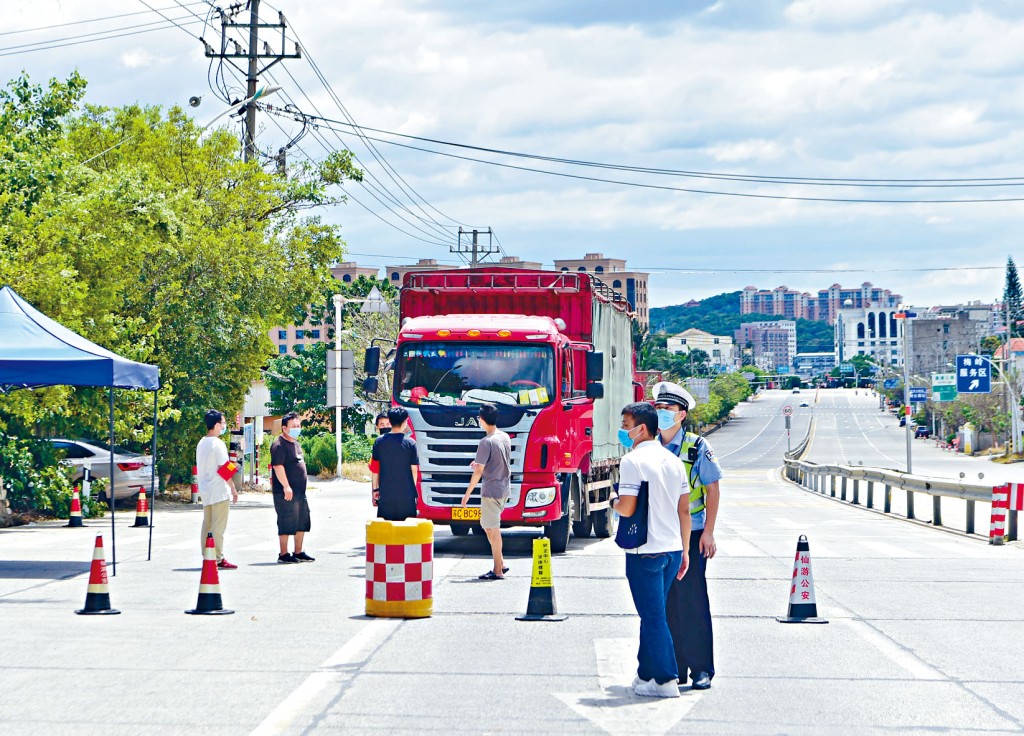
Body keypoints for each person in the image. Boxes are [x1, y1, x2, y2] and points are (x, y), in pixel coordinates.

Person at [610, 401, 691, 698]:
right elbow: (685, 510)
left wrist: (612, 501)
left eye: (625, 424)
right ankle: (645, 674)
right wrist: (684, 551)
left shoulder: (632, 461)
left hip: (644, 552)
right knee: (653, 613)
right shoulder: (673, 461)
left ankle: (667, 679)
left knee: (654, 616)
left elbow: (628, 507)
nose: (622, 430)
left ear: (641, 428)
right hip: (671, 550)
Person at [654, 381, 724, 691]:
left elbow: (712, 489)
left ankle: (701, 669)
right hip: (659, 536)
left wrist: (708, 532)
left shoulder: (697, 447)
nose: (662, 414)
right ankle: (675, 666)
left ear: (682, 414)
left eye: (668, 409)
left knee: (693, 601)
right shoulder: (650, 446)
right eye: (659, 408)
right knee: (666, 603)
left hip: (692, 535)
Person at [459, 403, 511, 580]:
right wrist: (480, 464)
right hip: (503, 488)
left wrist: (467, 495)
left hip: (491, 490)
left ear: (481, 420)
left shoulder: (485, 442)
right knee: (489, 528)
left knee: (492, 529)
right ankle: (501, 563)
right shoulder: (504, 437)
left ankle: (497, 570)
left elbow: (478, 471)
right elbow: (495, 462)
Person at [195, 410, 239, 569]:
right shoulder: (218, 443)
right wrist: (233, 489)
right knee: (218, 527)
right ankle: (218, 558)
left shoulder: (202, 442)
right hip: (219, 490)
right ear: (216, 425)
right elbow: (224, 469)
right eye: (223, 423)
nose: (224, 426)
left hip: (206, 490)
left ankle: (207, 555)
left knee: (207, 524)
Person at [270, 412, 314, 564]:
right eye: (293, 426)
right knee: (286, 521)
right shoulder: (279, 445)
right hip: (286, 492)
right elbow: (278, 466)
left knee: (301, 521)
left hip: (300, 492)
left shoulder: (295, 443)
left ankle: (298, 552)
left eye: (298, 425)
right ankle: (283, 554)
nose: (297, 428)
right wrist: (286, 486)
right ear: (284, 428)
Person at [370, 407, 420, 520]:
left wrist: (375, 489)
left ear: (390, 422)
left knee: (387, 531)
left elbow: (375, 469)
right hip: (406, 496)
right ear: (404, 422)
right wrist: (414, 492)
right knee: (406, 530)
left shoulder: (379, 442)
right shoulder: (410, 443)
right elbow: (414, 471)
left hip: (386, 494)